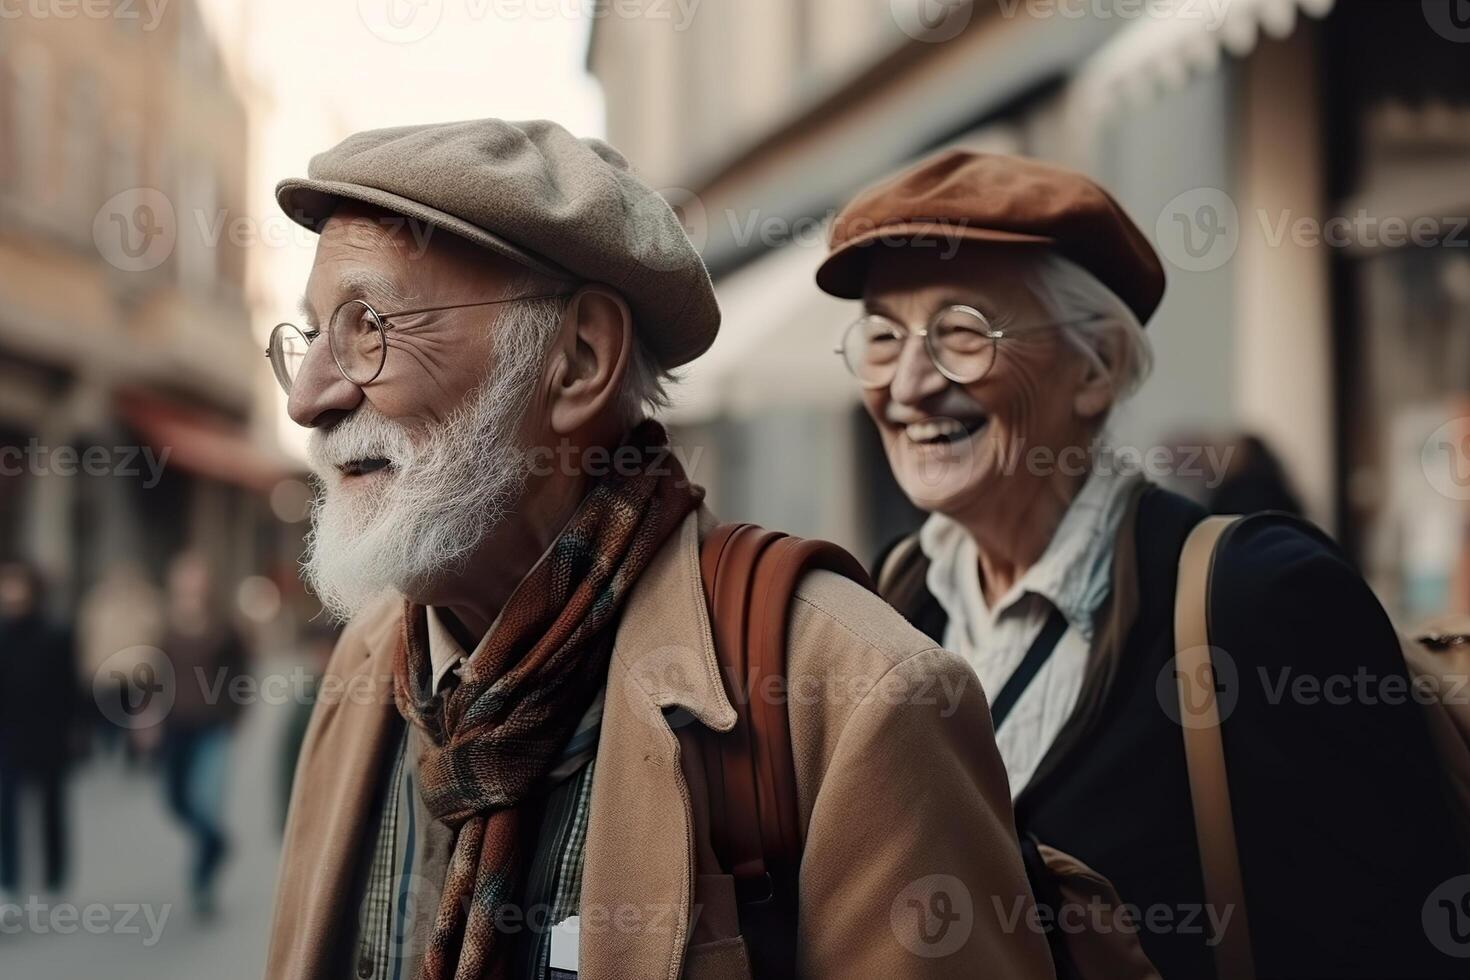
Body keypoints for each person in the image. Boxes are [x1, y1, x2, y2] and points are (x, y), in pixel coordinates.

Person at [264, 119, 1054, 980]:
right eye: (309, 336)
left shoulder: (856, 694)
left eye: (368, 325)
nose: (308, 398)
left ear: (579, 358)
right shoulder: (368, 664)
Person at [818, 148, 1469, 978]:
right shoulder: (894, 603)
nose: (908, 384)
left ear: (1096, 372)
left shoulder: (1255, 599)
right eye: (882, 336)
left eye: (960, 333)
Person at [157, 551, 249, 919]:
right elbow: (154, 671)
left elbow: (241, 675)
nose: (191, 583)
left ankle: (202, 880)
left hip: (212, 727)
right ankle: (219, 842)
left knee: (206, 803)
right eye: (185, 575)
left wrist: (233, 716)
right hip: (174, 726)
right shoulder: (164, 624)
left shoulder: (224, 627)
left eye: (197, 576)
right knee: (176, 802)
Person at [0, 560, 77, 899]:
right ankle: (10, 883)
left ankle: (53, 879)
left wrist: (76, 731)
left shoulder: (55, 633)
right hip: (9, 733)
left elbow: (69, 687)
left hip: (49, 732)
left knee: (51, 808)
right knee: (7, 810)